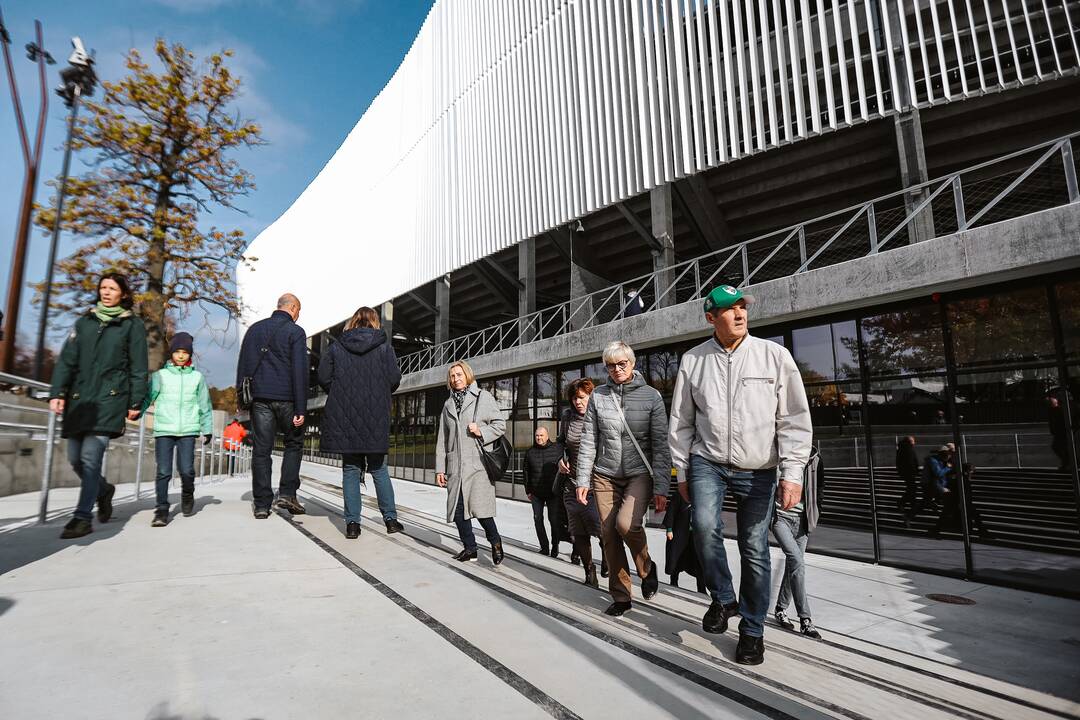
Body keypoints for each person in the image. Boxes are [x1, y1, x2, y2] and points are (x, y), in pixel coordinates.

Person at [669, 284, 812, 665]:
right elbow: (681, 421)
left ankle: (752, 631)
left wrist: (793, 473)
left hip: (760, 468)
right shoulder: (693, 361)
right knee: (703, 526)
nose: (740, 314)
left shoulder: (774, 356)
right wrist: (681, 469)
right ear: (711, 317)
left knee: (754, 548)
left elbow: (794, 420)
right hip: (707, 462)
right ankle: (723, 597)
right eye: (729, 309)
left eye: (742, 307)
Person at [49, 273, 148, 539]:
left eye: (112, 288)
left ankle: (82, 518)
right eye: (103, 287)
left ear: (123, 294)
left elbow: (139, 367)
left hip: (109, 399)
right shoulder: (84, 323)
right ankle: (103, 491)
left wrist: (135, 400)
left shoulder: (131, 325)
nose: (106, 292)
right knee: (75, 459)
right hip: (80, 400)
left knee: (91, 458)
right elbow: (67, 360)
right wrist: (57, 392)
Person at [575, 341, 670, 617]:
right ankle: (621, 595)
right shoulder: (598, 396)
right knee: (608, 533)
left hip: (638, 473)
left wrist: (662, 486)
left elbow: (660, 446)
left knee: (625, 524)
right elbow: (589, 441)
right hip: (604, 474)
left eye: (621, 364)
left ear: (632, 363)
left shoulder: (651, 397)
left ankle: (646, 567)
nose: (616, 369)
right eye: (610, 365)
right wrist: (582, 479)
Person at [317, 306, 404, 539]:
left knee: (350, 470)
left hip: (345, 417)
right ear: (375, 322)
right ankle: (391, 520)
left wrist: (339, 391)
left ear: (353, 322)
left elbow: (323, 377)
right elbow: (394, 379)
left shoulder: (337, 347)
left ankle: (353, 524)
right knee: (379, 469)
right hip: (376, 417)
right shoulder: (385, 349)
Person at [236, 293, 308, 519]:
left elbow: (243, 366)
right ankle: (286, 492)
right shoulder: (295, 332)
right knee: (294, 444)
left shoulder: (254, 330)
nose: (298, 315)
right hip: (287, 398)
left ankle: (261, 504)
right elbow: (299, 372)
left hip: (260, 400)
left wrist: (242, 399)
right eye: (299, 310)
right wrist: (301, 408)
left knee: (261, 450)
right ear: (293, 308)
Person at [435, 361, 506, 564]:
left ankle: (496, 542)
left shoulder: (483, 398)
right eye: (452, 376)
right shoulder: (448, 404)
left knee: (481, 511)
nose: (455, 379)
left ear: (467, 375)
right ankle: (470, 548)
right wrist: (440, 468)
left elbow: (501, 425)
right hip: (456, 467)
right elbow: (442, 438)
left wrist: (481, 431)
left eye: (459, 374)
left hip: (478, 466)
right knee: (458, 512)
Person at [143, 332, 213, 526]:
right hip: (164, 429)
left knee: (187, 470)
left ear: (190, 354)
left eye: (185, 352)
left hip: (188, 430)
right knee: (163, 471)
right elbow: (148, 397)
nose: (181, 356)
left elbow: (204, 405)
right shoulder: (160, 376)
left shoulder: (197, 378)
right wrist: (134, 412)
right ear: (171, 354)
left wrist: (207, 428)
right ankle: (161, 510)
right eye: (177, 352)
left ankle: (187, 493)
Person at [557, 378, 607, 587]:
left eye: (582, 397)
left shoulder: (600, 416)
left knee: (601, 529)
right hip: (572, 483)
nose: (578, 402)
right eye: (574, 398)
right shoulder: (567, 417)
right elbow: (560, 443)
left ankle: (608, 556)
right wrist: (560, 459)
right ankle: (589, 570)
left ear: (591, 397)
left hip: (596, 484)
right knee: (578, 533)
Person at [772, 448, 823, 640]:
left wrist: (814, 515)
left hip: (802, 521)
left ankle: (780, 609)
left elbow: (820, 488)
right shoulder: (775, 456)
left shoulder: (815, 459)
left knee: (793, 565)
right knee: (797, 562)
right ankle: (805, 620)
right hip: (781, 519)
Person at [524, 426, 563, 557]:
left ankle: (555, 545)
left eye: (541, 435)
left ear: (547, 436)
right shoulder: (530, 452)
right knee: (537, 519)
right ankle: (544, 547)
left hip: (553, 492)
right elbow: (526, 472)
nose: (539, 438)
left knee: (554, 520)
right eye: (537, 436)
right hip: (536, 492)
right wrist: (528, 490)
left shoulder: (557, 449)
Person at [663, 482, 705, 593]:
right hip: (679, 534)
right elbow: (671, 512)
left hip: (696, 535)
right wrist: (669, 529)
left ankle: (701, 588)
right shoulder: (679, 495)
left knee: (699, 561)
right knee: (676, 558)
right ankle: (674, 581)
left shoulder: (702, 496)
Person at [895, 436, 920, 519]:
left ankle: (911, 503)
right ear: (909, 442)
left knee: (911, 488)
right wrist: (915, 471)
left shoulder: (902, 448)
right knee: (912, 488)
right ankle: (902, 503)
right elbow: (911, 462)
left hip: (905, 473)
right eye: (913, 441)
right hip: (909, 473)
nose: (914, 442)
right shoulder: (908, 449)